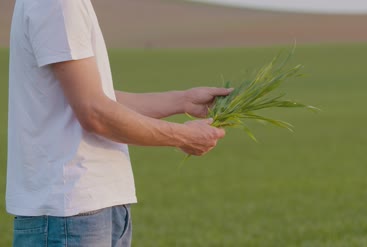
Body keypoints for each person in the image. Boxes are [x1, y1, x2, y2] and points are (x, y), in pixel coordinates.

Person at [7, 0, 230, 246]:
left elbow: (98, 98)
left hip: (94, 207)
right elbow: (94, 111)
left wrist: (184, 101)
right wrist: (182, 137)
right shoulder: (58, 4)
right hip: (69, 212)